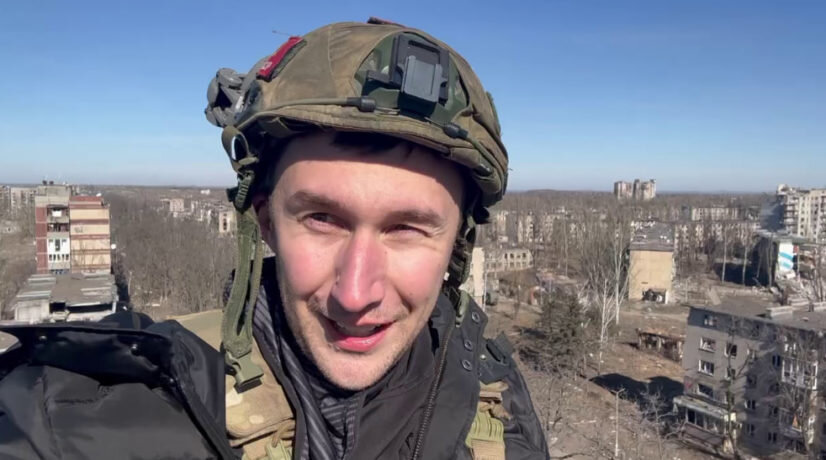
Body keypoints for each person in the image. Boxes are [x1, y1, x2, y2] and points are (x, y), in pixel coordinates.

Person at [0, 19, 548, 460]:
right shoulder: (93, 414)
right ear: (265, 222)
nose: (355, 295)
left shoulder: (495, 401)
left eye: (406, 228)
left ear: (456, 246)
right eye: (322, 219)